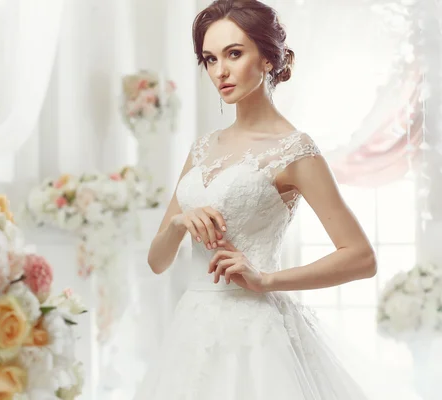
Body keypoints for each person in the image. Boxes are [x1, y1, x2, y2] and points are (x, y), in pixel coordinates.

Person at [134, 1, 380, 398]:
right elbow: (157, 262)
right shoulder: (202, 148)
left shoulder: (294, 150)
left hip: (257, 341)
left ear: (267, 58)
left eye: (234, 53)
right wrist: (180, 222)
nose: (220, 71)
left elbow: (361, 258)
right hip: (192, 333)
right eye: (210, 59)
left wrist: (266, 280)